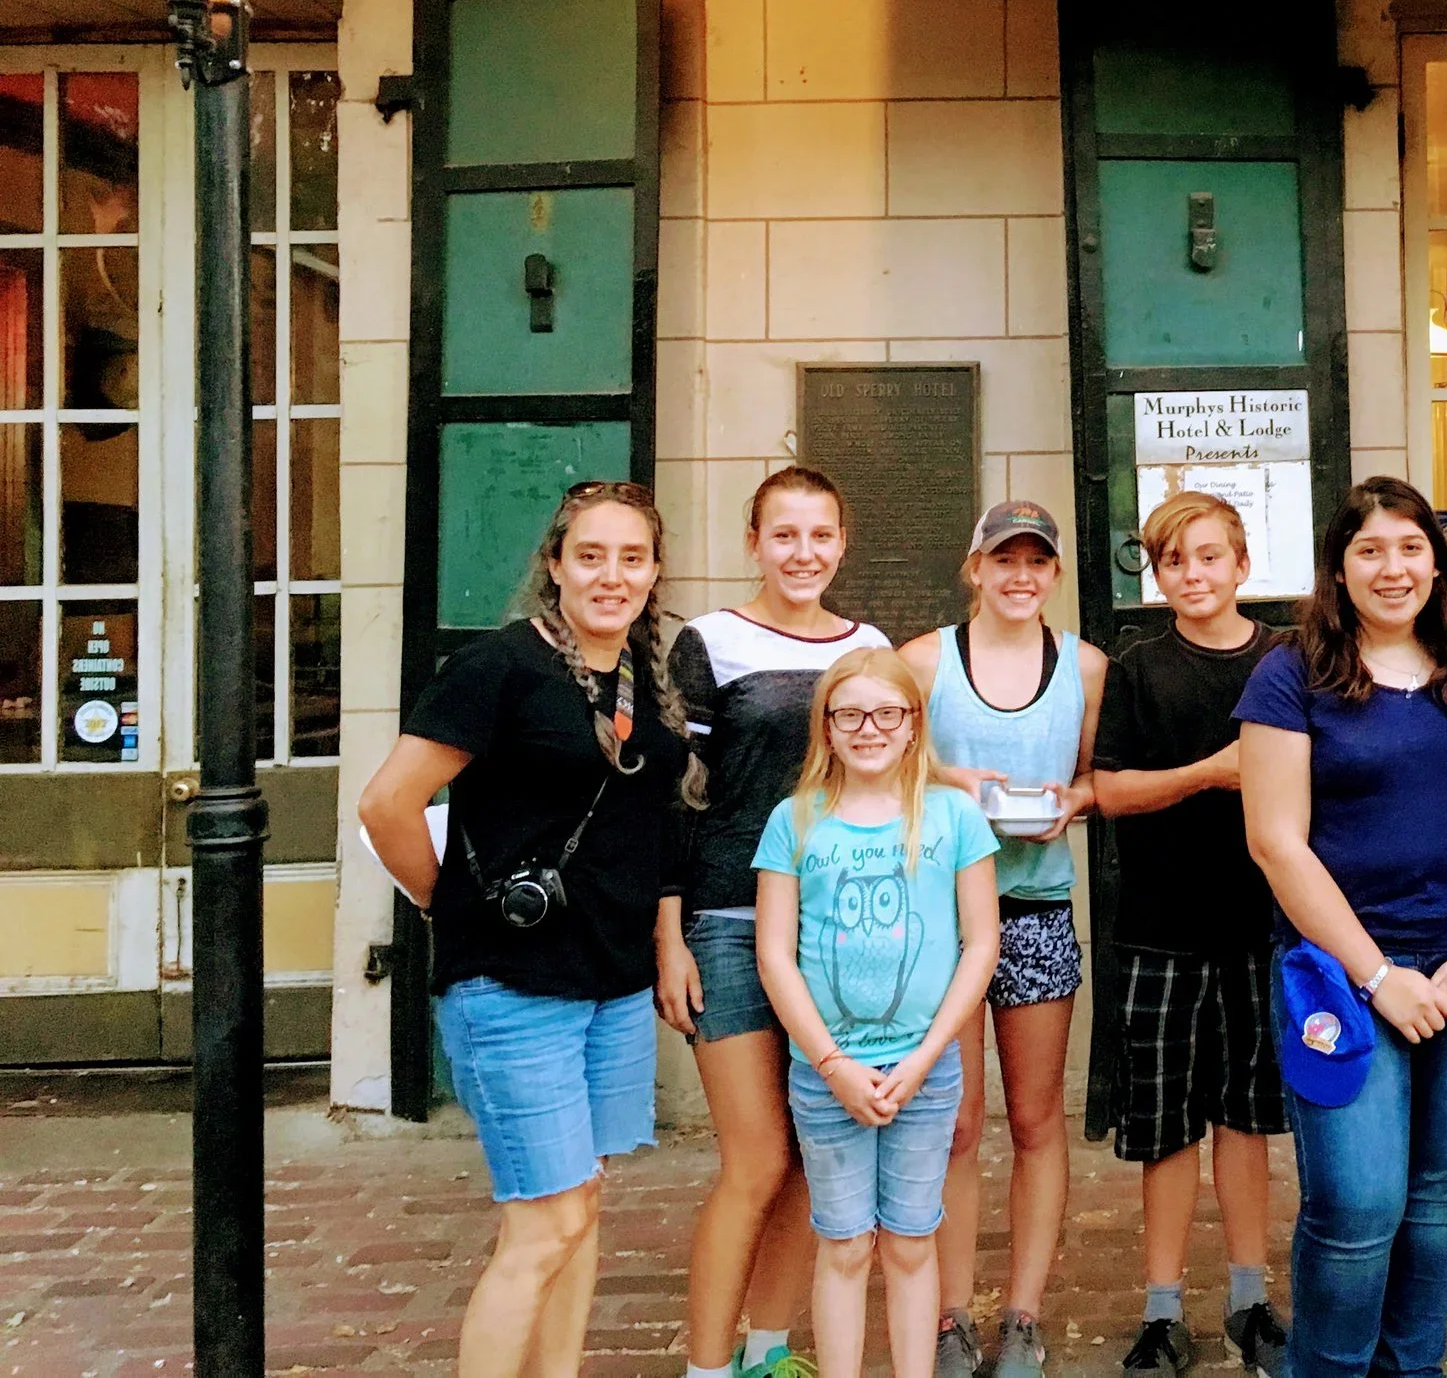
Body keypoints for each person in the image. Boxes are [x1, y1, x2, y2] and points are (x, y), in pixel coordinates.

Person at [357, 482, 689, 1378]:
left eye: (631, 557)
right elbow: (388, 804)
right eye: (591, 555)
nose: (611, 575)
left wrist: (664, 943)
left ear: (654, 571)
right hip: (512, 984)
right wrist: (448, 905)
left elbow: (648, 827)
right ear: (554, 564)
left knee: (582, 1208)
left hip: (610, 983)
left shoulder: (641, 673)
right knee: (544, 1224)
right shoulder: (497, 667)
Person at [1237, 477, 1447, 1378]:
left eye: (1410, 547)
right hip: (1339, 977)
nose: (1392, 567)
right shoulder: (1290, 673)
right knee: (1358, 1201)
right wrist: (1376, 976)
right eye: (1369, 549)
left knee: (1438, 1194)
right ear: (1339, 566)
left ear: (1436, 562)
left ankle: (1411, 1367)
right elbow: (1276, 841)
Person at [659, 466, 894, 1378]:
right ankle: (707, 1366)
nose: (804, 553)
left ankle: (767, 1350)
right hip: (724, 915)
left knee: (812, 1156)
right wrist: (669, 934)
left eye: (821, 535)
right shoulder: (710, 643)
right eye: (784, 534)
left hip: (832, 927)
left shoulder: (865, 643)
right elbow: (679, 798)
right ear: (753, 541)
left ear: (842, 542)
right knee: (755, 1157)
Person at [899, 500, 1107, 1378]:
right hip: (938, 916)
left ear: (1055, 574)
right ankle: (950, 1316)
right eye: (1003, 558)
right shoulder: (922, 660)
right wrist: (953, 782)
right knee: (950, 1122)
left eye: (1037, 561)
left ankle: (1022, 1314)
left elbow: (1094, 775)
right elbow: (872, 758)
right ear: (973, 566)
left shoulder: (1085, 666)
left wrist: (1072, 801)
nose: (1020, 575)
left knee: (1033, 1117)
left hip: (1034, 905)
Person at [755, 647, 1002, 1378]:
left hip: (924, 1071)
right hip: (827, 1073)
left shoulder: (953, 817)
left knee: (910, 1240)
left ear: (912, 724)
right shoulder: (794, 821)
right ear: (826, 727)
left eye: (887, 713)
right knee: (844, 1243)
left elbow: (981, 942)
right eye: (850, 714)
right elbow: (775, 954)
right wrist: (832, 1063)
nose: (869, 728)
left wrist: (926, 1057)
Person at [1093, 492, 1291, 1378]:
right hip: (1159, 928)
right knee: (1167, 1127)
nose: (1194, 575)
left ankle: (1251, 1296)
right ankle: (1162, 1308)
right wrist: (1213, 772)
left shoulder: (1285, 661)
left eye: (1210, 557)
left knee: (1245, 1120)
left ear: (1242, 563)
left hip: (1263, 924)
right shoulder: (1140, 667)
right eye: (1175, 561)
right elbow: (1111, 790)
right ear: (1158, 573)